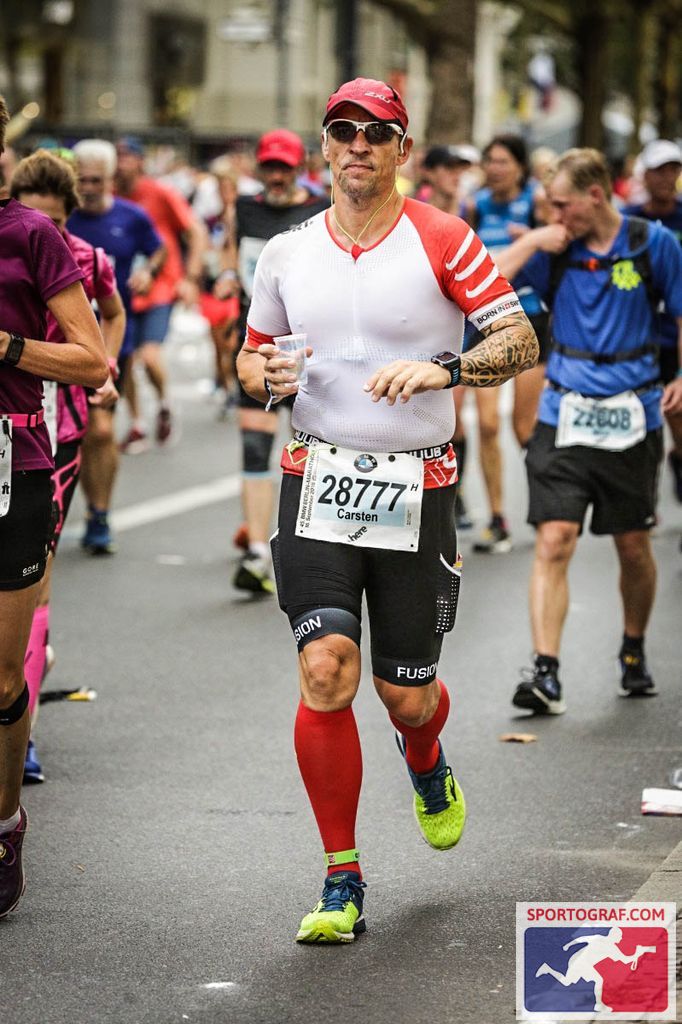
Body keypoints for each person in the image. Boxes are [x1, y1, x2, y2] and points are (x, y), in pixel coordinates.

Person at [236, 78, 538, 943]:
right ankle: (342, 879)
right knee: (326, 668)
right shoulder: (288, 252)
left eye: (378, 132)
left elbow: (519, 340)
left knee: (405, 697)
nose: (359, 144)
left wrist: (445, 369)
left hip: (418, 488)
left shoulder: (443, 238)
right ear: (324, 146)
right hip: (317, 483)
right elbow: (252, 360)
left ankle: (427, 753)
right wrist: (268, 377)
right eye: (343, 131)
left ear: (403, 149)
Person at [494, 148, 682, 714]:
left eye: (563, 204)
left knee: (632, 545)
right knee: (554, 538)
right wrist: (531, 242)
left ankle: (632, 647)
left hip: (633, 411)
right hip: (564, 408)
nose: (556, 216)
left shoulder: (653, 243)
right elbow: (485, 280)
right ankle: (545, 671)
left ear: (595, 195)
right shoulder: (554, 246)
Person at [0, 94, 108, 918]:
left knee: (3, 675)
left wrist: (6, 346)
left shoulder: (30, 236)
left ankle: (4, 825)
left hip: (15, 464)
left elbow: (89, 359)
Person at [10, 149, 125, 781]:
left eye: (53, 224)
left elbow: (108, 318)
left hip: (54, 438)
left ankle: (22, 734)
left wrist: (107, 368)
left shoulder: (86, 259)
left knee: (34, 591)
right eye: (29, 219)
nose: (39, 236)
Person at [215, 129, 329, 593]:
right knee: (256, 445)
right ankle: (258, 551)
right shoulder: (245, 208)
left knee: (313, 448)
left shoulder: (322, 209)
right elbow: (231, 248)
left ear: (300, 167)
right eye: (270, 167)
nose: (277, 176)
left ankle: (323, 543)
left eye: (285, 167)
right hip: (257, 342)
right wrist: (225, 274)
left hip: (310, 347)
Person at [68, 139, 164, 551]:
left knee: (101, 430)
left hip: (109, 337)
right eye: (81, 179)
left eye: (95, 180)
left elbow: (156, 250)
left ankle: (98, 514)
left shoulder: (132, 217)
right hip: (59, 341)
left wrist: (146, 273)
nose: (87, 187)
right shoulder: (61, 219)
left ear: (110, 180)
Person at [460, 134, 550, 553]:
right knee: (490, 424)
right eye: (489, 160)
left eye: (503, 161)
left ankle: (548, 506)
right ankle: (497, 517)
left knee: (524, 426)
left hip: (531, 318)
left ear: (519, 165)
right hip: (485, 320)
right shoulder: (476, 204)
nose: (495, 168)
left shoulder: (536, 200)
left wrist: (532, 238)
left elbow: (558, 243)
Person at [114, 136, 207, 450]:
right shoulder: (109, 196)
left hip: (161, 287)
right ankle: (137, 423)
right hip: (121, 290)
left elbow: (196, 231)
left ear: (140, 162)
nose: (121, 163)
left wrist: (191, 278)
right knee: (124, 359)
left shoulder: (161, 192)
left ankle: (165, 403)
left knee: (150, 355)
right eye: (117, 157)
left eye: (127, 157)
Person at [624, 140, 682, 503]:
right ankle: (644, 503)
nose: (667, 177)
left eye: (673, 169)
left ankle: (677, 461)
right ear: (644, 174)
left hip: (675, 334)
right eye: (659, 169)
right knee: (641, 428)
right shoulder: (627, 220)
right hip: (637, 340)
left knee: (678, 423)